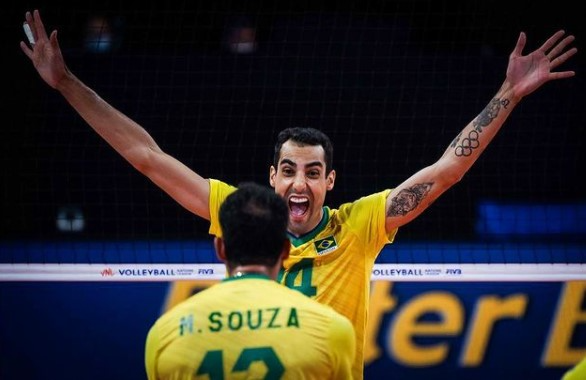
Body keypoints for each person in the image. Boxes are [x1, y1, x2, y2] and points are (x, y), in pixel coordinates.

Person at [20, 9, 577, 380]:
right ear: (270, 175)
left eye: (312, 173)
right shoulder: (242, 214)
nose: (298, 184)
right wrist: (67, 82)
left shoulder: (361, 224)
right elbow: (146, 157)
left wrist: (508, 92)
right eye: (288, 170)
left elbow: (448, 169)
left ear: (330, 183)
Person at [144, 182, 356, 379]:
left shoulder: (164, 334)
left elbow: (148, 157)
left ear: (220, 248)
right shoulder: (332, 330)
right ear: (285, 249)